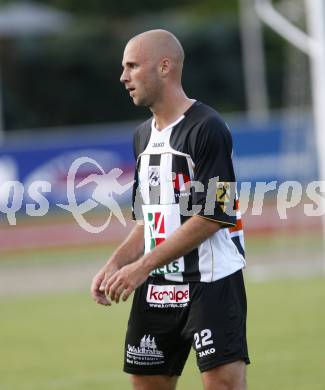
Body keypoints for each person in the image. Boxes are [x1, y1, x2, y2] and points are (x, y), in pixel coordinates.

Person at [91, 29, 249, 390]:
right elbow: (148, 220)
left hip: (210, 283)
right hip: (158, 285)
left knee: (223, 385)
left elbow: (212, 216)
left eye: (132, 66)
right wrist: (116, 263)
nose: (123, 77)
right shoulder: (141, 138)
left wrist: (141, 266)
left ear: (164, 67)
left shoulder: (207, 128)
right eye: (123, 67)